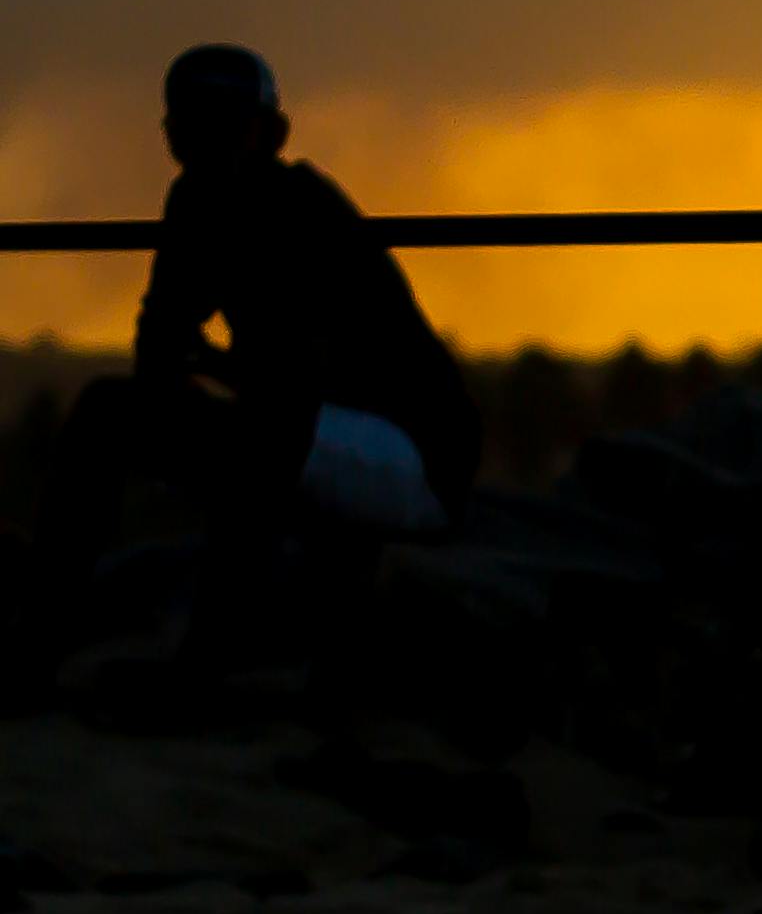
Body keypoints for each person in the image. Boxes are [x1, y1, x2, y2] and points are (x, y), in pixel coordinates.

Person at [10, 46, 482, 690]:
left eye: (223, 122)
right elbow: (161, 347)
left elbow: (293, 379)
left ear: (263, 133)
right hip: (310, 436)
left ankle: (212, 658)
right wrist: (192, 376)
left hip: (414, 458)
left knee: (264, 425)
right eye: (192, 124)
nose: (206, 139)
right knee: (106, 409)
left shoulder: (301, 209)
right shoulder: (195, 205)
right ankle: (41, 640)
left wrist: (210, 371)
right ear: (174, 137)